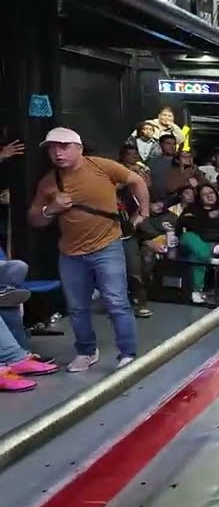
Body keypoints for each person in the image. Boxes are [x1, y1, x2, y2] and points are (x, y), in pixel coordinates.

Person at [28, 128, 149, 371]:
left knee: (116, 301)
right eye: (52, 148)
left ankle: (128, 354)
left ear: (79, 148)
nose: (57, 153)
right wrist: (51, 210)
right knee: (76, 307)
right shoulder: (49, 182)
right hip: (71, 253)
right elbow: (34, 219)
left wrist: (143, 212)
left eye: (64, 147)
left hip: (107, 246)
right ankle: (86, 351)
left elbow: (136, 181)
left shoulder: (101, 166)